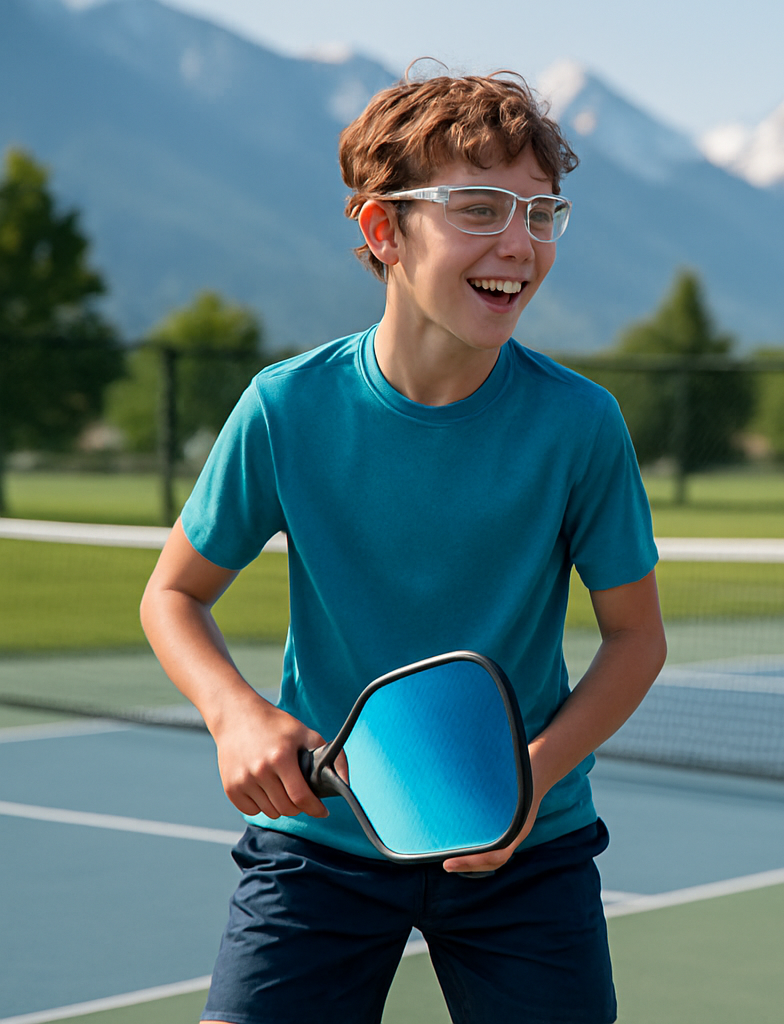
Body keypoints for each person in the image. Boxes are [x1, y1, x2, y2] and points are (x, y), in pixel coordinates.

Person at [140, 71, 665, 1024]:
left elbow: (638, 639)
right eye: (480, 209)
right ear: (384, 232)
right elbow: (172, 595)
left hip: (528, 849)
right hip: (321, 847)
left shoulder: (581, 426)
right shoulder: (286, 407)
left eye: (543, 214)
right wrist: (237, 717)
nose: (519, 242)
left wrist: (524, 782)